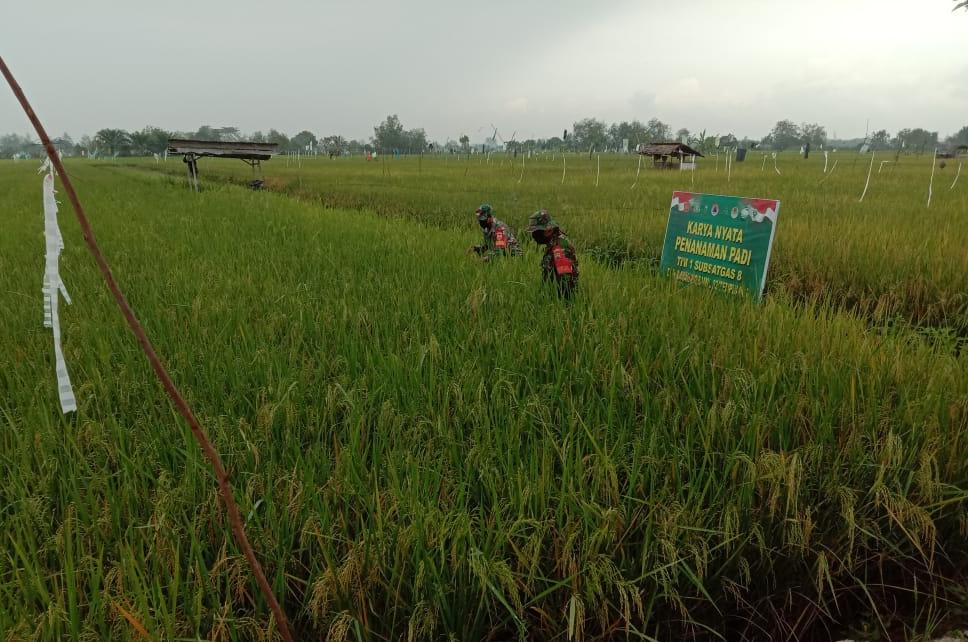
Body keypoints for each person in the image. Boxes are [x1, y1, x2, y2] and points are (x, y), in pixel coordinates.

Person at [525, 209, 579, 299]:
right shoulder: (552, 243)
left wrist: (560, 303)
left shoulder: (559, 248)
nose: (534, 235)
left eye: (537, 231)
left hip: (560, 300)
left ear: (549, 230)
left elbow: (565, 281)